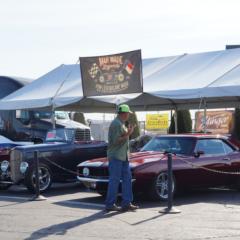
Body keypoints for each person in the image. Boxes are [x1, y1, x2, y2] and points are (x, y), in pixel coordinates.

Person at [105, 104, 139, 212]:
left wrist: (127, 133)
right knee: (115, 180)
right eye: (128, 113)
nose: (129, 115)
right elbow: (116, 141)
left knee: (126, 179)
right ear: (124, 113)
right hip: (116, 156)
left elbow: (120, 140)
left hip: (122, 157)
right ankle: (110, 204)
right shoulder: (116, 124)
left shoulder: (120, 123)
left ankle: (126, 203)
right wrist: (128, 133)